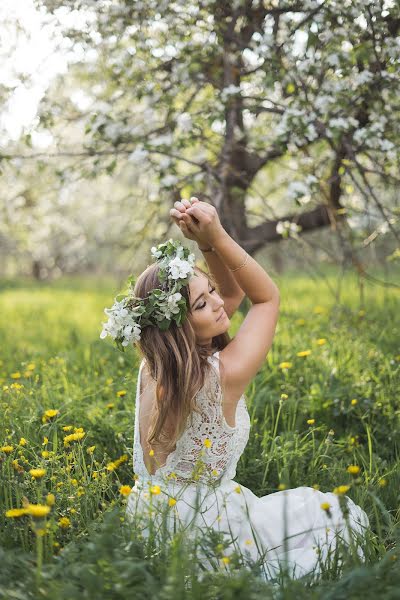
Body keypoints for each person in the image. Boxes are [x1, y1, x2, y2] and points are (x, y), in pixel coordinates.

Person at [101, 197, 369, 582]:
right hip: (208, 531)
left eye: (210, 290)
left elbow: (231, 297)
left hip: (154, 521)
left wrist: (205, 246)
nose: (217, 303)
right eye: (201, 303)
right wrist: (218, 233)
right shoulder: (222, 374)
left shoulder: (157, 366)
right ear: (180, 325)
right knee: (341, 520)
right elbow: (265, 297)